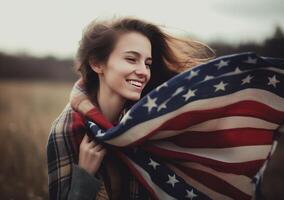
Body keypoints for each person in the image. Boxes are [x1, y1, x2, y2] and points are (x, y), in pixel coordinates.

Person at [47, 17, 213, 200]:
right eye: (131, 59)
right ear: (97, 63)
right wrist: (85, 176)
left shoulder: (152, 120)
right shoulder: (66, 130)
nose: (143, 71)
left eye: (147, 63)